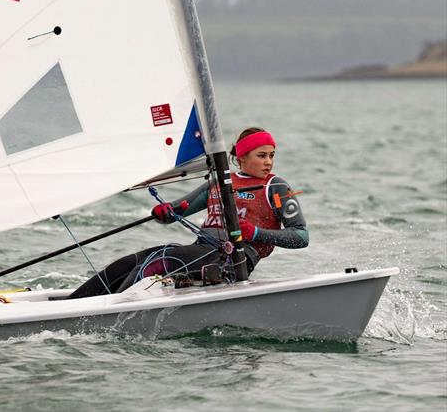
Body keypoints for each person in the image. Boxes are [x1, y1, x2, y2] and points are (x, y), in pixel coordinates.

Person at [68, 127, 308, 299]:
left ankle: (109, 312)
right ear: (242, 157)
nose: (268, 162)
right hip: (202, 251)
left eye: (271, 156)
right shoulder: (220, 182)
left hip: (233, 260)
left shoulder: (276, 187)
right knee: (130, 262)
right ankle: (72, 305)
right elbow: (177, 210)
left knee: (158, 262)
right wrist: (165, 211)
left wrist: (254, 232)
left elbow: (301, 237)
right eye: (261, 155)